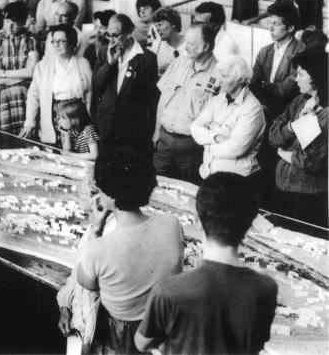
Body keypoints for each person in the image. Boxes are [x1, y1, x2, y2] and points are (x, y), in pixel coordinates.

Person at [135, 172, 278, 354]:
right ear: (249, 227)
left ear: (197, 222)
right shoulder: (266, 288)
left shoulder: (168, 291)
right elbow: (257, 344)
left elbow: (141, 343)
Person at [75, 146, 184, 353]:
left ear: (106, 195)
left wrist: (95, 230)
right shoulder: (172, 224)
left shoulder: (98, 248)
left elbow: (85, 281)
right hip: (166, 327)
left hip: (122, 335)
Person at [249, 0, 305, 205]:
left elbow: (284, 91)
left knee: (275, 168)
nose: (270, 27)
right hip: (262, 115)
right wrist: (265, 89)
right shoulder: (265, 51)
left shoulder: (301, 52)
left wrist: (265, 86)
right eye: (269, 22)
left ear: (290, 28)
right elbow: (253, 85)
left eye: (276, 24)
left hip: (286, 120)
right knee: (259, 164)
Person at [153, 22, 220, 184]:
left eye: (191, 44)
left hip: (192, 149)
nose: (185, 48)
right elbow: (164, 98)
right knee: (156, 187)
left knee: (189, 192)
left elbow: (217, 120)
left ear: (206, 46)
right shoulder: (179, 63)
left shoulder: (220, 74)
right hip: (164, 142)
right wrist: (156, 131)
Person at [191, 55, 265, 199]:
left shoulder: (253, 108)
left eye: (224, 76)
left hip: (235, 182)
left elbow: (236, 148)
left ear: (240, 79)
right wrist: (216, 136)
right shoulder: (217, 100)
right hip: (208, 174)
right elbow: (195, 127)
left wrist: (206, 144)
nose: (219, 81)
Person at [268, 49, 328, 230]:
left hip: (308, 197)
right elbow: (273, 135)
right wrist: (293, 127)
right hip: (283, 189)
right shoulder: (300, 100)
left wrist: (283, 153)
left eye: (301, 74)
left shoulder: (326, 113)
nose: (296, 79)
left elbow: (309, 160)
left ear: (316, 76)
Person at [92, 13, 158, 151]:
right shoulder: (105, 52)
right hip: (106, 126)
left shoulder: (147, 59)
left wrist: (151, 132)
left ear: (129, 32)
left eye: (115, 35)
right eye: (109, 36)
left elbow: (152, 100)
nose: (112, 40)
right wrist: (110, 64)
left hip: (132, 131)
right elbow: (97, 85)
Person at [21, 24, 92, 146]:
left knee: (79, 150)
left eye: (61, 41)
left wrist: (90, 118)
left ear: (71, 42)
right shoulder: (43, 66)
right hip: (55, 114)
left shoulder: (82, 63)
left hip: (77, 114)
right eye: (53, 41)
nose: (56, 45)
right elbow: (33, 96)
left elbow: (90, 93)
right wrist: (30, 122)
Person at [0, 1, 39, 136]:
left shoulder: (31, 41)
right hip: (5, 97)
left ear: (23, 22)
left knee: (28, 137)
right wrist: (22, 77)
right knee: (8, 140)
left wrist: (4, 73)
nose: (10, 26)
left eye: (15, 22)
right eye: (7, 21)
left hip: (26, 96)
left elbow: (32, 72)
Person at [149, 6, 186, 76]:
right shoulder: (157, 46)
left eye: (159, 24)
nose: (157, 29)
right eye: (156, 26)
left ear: (173, 24)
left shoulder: (189, 43)